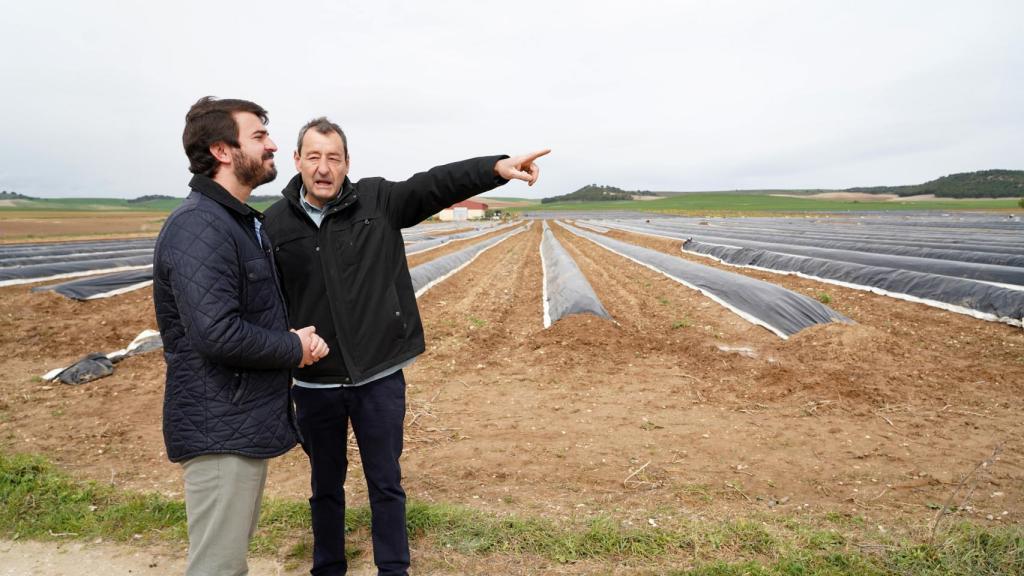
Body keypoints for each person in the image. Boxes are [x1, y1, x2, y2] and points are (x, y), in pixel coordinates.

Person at [263, 116, 548, 576]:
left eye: (333, 158)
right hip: (315, 382)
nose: (323, 167)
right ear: (297, 161)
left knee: (386, 482)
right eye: (313, 157)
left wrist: (495, 168)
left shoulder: (378, 200)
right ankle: (328, 566)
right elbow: (267, 298)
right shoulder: (275, 224)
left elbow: (434, 184)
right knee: (325, 486)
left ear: (347, 163)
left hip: (378, 375)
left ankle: (393, 569)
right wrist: (283, 347)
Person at [153, 97, 329, 576]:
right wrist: (294, 347)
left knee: (227, 563)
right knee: (217, 567)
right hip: (218, 427)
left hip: (235, 421)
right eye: (258, 136)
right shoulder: (200, 227)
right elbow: (216, 333)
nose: (273, 145)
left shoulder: (235, 221)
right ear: (223, 150)